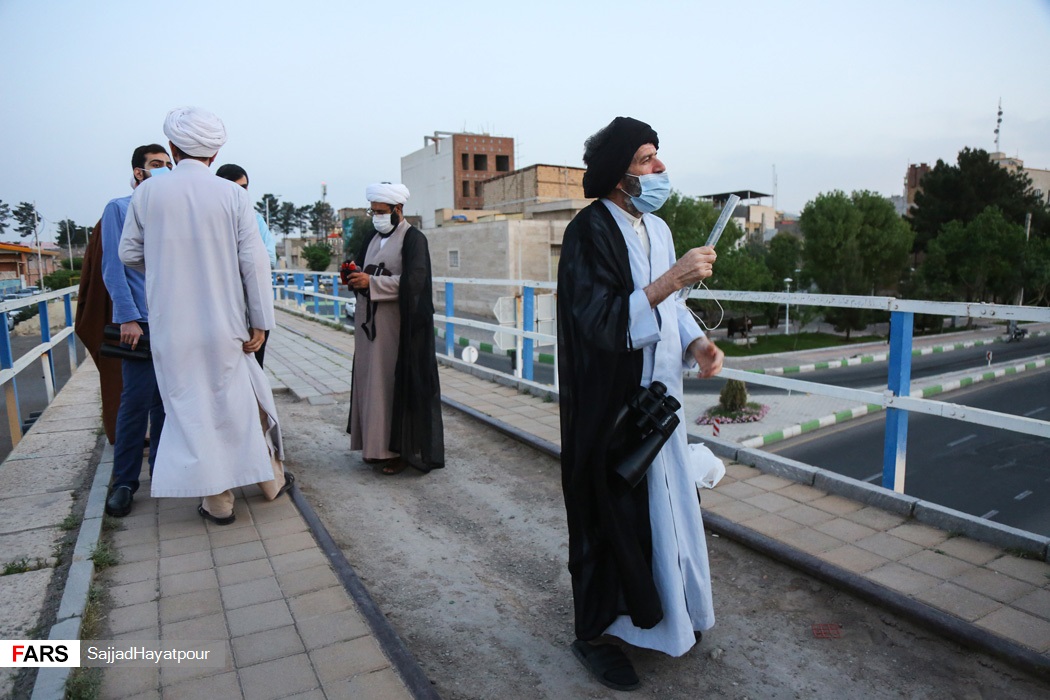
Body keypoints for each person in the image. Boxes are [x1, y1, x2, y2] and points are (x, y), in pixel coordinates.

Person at [556, 117, 725, 691]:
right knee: (607, 515)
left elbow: (670, 308)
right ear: (619, 171)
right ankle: (596, 633)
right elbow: (596, 321)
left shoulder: (659, 227)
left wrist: (698, 340)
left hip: (660, 403)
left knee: (663, 510)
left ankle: (665, 619)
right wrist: (672, 280)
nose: (659, 169)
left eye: (658, 157)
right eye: (648, 158)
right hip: (610, 408)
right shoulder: (589, 232)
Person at [119, 106, 292, 526]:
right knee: (233, 404)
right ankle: (268, 479)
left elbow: (128, 254)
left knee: (191, 410)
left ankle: (219, 500)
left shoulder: (146, 194)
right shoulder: (234, 195)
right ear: (214, 155)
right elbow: (255, 265)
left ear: (174, 148)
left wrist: (166, 262)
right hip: (225, 321)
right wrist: (260, 322)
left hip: (171, 326)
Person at [94, 144, 172, 517]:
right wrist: (126, 316)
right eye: (156, 165)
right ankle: (124, 482)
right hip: (139, 322)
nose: (164, 170)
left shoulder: (171, 212)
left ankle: (162, 472)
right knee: (136, 402)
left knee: (166, 404)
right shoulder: (119, 208)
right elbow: (113, 266)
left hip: (172, 320)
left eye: (168, 165)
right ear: (139, 172)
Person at [345, 183, 443, 475]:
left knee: (391, 387)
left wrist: (372, 283)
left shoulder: (414, 239)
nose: (376, 217)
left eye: (381, 212)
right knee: (371, 385)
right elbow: (363, 268)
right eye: (372, 211)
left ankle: (400, 452)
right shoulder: (373, 237)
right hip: (369, 328)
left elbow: (416, 282)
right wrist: (353, 277)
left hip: (397, 331)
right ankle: (375, 449)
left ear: (398, 210)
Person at [216, 163, 277, 367]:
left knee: (254, 368)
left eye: (244, 187)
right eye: (236, 187)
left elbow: (268, 258)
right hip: (219, 307)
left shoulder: (255, 219)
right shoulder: (210, 220)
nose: (242, 193)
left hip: (250, 305)